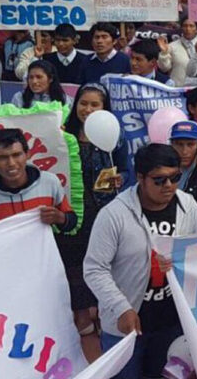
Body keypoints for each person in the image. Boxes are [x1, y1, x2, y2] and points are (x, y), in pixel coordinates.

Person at [84, 144, 197, 379]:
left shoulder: (188, 206)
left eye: (175, 178)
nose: (169, 186)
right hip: (126, 327)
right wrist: (122, 309)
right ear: (140, 178)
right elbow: (94, 269)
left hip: (172, 323)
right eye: (159, 180)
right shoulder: (113, 215)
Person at [62, 83, 129, 361]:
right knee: (75, 265)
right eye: (83, 103)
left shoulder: (116, 137)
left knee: (103, 264)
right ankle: (81, 314)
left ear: (105, 109)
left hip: (105, 212)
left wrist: (121, 179)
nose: (87, 110)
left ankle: (103, 312)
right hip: (74, 214)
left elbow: (126, 169)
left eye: (95, 105)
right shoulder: (62, 136)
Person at [0, 128, 78, 235]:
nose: (11, 163)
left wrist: (61, 218)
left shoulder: (50, 182)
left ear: (28, 154)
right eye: (3, 158)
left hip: (42, 259)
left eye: (16, 155)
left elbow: (71, 222)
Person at [158, 17, 197, 86]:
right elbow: (164, 68)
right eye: (185, 26)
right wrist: (164, 53)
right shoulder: (172, 46)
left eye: (191, 26)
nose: (188, 29)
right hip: (179, 90)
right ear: (181, 28)